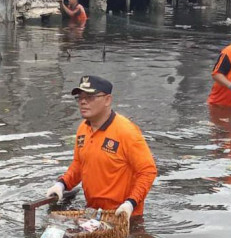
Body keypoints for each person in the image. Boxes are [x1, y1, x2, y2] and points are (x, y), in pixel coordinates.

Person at [46, 75, 157, 219]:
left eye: (90, 97)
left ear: (107, 100)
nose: (83, 102)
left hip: (123, 217)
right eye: (80, 98)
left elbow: (148, 171)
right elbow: (79, 164)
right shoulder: (83, 129)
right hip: (93, 213)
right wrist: (61, 184)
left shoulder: (126, 132)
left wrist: (130, 203)